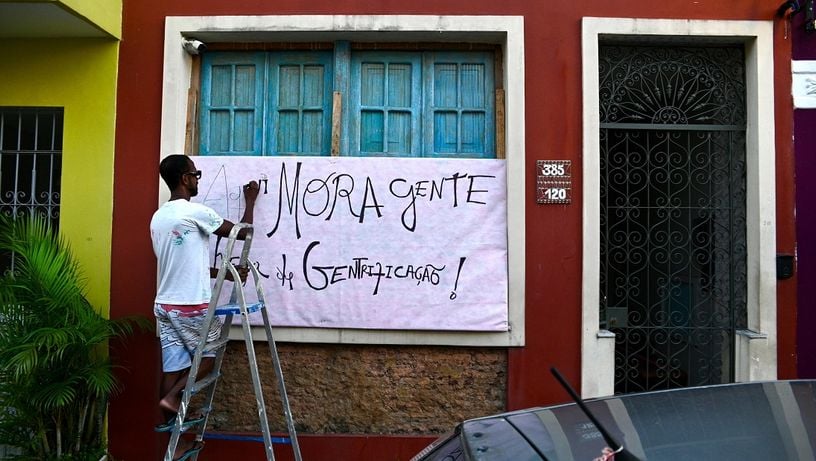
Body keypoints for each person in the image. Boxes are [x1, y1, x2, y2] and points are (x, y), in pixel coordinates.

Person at [150, 154, 259, 460]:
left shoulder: (159, 218)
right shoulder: (195, 211)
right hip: (191, 306)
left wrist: (222, 274)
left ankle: (177, 439)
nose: (197, 179)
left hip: (165, 304)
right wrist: (250, 200)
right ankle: (172, 400)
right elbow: (242, 231)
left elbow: (181, 261)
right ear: (185, 178)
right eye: (195, 174)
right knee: (209, 358)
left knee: (172, 368)